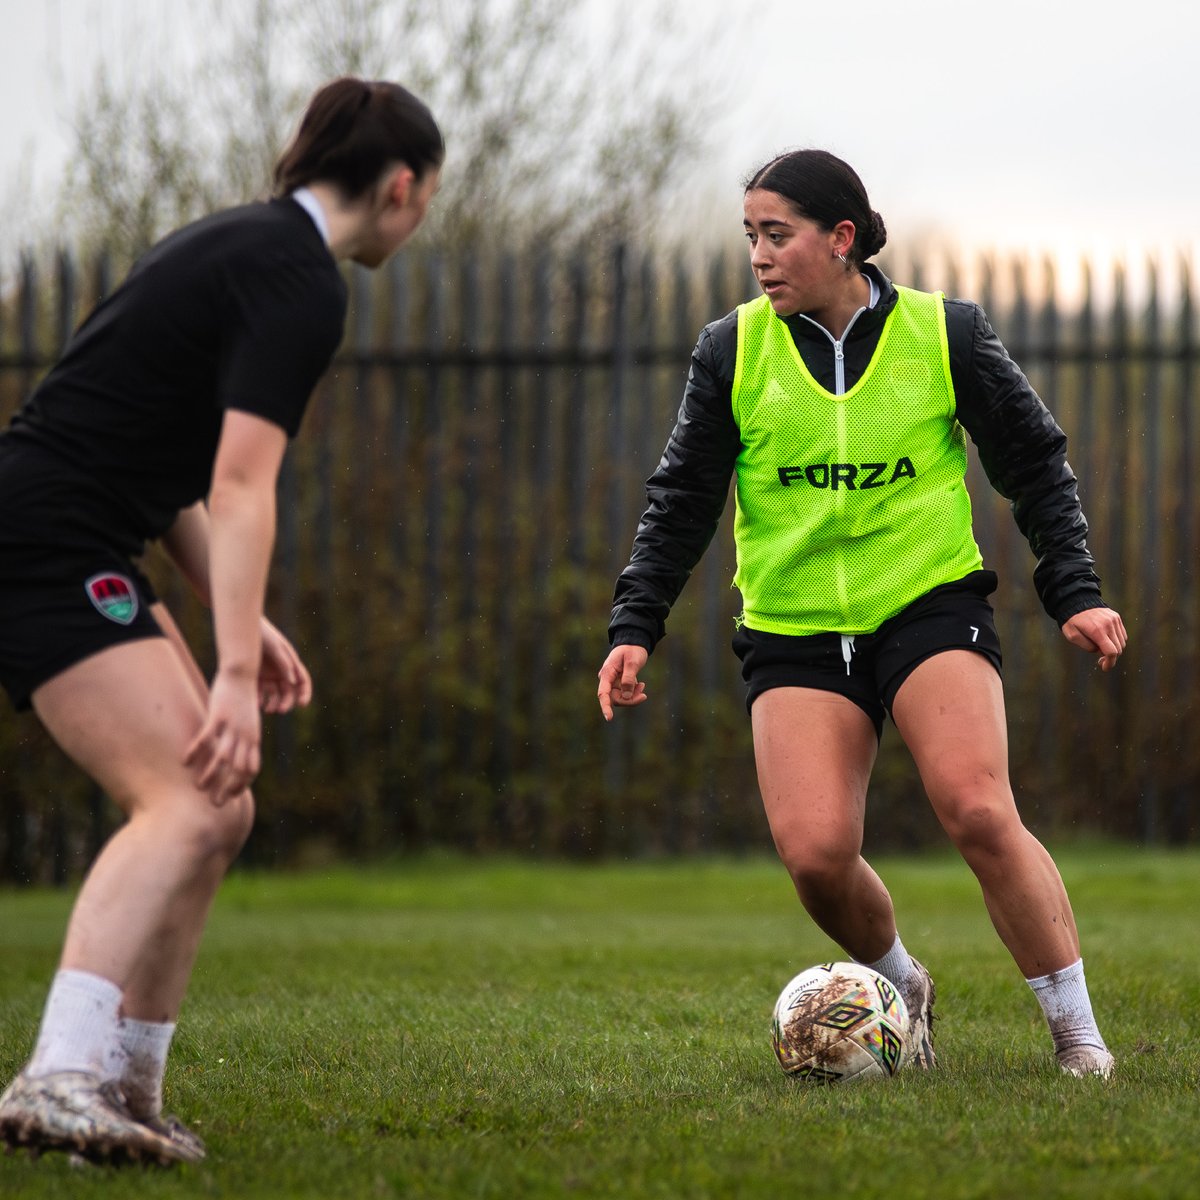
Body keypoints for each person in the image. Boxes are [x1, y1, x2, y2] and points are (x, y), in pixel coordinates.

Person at [597, 149, 1126, 1079]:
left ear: (842, 238)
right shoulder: (731, 348)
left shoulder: (945, 334)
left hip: (927, 604)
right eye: (749, 236)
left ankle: (1077, 1035)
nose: (758, 256)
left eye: (778, 234)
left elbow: (1036, 465)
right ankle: (900, 985)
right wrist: (635, 623)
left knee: (974, 806)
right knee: (815, 856)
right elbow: (681, 496)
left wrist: (1074, 592)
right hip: (795, 625)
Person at [0, 77, 443, 1165]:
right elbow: (245, 485)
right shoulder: (299, 281)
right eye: (428, 194)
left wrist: (245, 622)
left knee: (222, 808)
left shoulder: (243, 246)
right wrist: (232, 671)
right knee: (187, 799)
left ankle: (127, 1089)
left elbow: (183, 473)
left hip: (78, 533)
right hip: (47, 539)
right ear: (399, 185)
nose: (422, 213)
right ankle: (55, 1078)